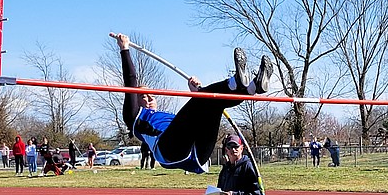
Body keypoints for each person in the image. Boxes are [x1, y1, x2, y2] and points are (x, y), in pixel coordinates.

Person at [114, 32, 273, 174]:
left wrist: (196, 93)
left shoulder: (169, 116)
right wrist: (124, 49)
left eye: (151, 96)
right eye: (144, 96)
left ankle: (253, 87)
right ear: (135, 100)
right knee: (203, 100)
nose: (149, 99)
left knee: (214, 103)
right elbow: (131, 81)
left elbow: (192, 121)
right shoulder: (134, 118)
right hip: (168, 152)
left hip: (197, 154)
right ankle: (236, 83)